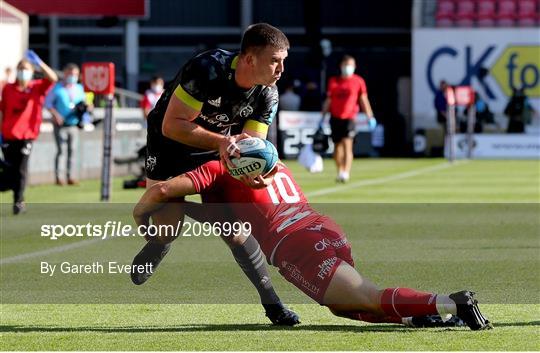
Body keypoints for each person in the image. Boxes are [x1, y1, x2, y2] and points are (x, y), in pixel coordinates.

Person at [132, 158, 492, 331]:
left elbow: (164, 190)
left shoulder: (218, 165)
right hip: (323, 227)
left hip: (296, 244)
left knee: (366, 295)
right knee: (344, 308)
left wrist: (146, 217)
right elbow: (237, 221)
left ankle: (452, 302)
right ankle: (421, 316)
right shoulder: (267, 155)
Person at [135, 23, 299, 325]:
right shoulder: (207, 69)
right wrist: (223, 141)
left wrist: (255, 171)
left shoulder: (268, 95)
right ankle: (159, 245)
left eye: (284, 60)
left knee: (235, 231)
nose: (281, 69)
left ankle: (273, 304)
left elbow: (252, 144)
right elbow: (173, 125)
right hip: (170, 141)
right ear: (249, 58)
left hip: (219, 149)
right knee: (168, 229)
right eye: (275, 60)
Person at [0, 51, 58, 214]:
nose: (22, 72)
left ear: (31, 71)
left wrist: (40, 63)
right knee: (10, 171)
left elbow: (53, 78)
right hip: (8, 135)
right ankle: (17, 197)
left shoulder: (37, 87)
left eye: (25, 69)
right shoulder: (8, 89)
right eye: (20, 68)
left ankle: (18, 202)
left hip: (26, 136)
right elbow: (3, 111)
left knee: (20, 169)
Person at [321, 55, 375, 183]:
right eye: (346, 64)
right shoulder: (333, 81)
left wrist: (370, 116)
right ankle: (340, 170)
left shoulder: (358, 81)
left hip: (350, 118)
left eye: (350, 65)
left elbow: (363, 99)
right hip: (335, 118)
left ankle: (346, 171)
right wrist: (322, 116)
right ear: (341, 66)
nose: (348, 67)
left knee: (347, 145)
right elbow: (328, 100)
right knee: (336, 148)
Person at [45, 63, 87, 185]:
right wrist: (56, 115)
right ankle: (59, 177)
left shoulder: (80, 88)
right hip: (60, 124)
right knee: (61, 151)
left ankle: (71, 176)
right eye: (70, 74)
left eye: (75, 74)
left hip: (74, 124)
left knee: (72, 151)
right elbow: (48, 104)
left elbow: (84, 103)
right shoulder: (57, 88)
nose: (72, 76)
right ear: (65, 73)